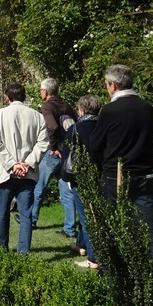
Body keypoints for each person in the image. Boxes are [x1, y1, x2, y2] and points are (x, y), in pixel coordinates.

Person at [89, 65, 153, 306]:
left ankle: (117, 285)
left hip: (115, 176)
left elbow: (95, 143)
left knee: (114, 229)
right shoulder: (145, 107)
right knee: (151, 235)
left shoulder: (110, 110)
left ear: (113, 86)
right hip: (143, 175)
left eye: (107, 85)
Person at [0, 82, 48, 255]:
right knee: (26, 215)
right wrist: (27, 163)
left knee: (3, 212)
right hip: (27, 173)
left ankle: (1, 248)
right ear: (24, 96)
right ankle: (23, 253)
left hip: (6, 172)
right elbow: (43, 143)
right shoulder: (37, 116)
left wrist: (12, 164)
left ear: (7, 97)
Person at [22, 78, 77, 233]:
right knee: (66, 192)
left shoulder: (47, 106)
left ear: (45, 91)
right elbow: (75, 124)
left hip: (53, 153)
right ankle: (70, 228)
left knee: (39, 187)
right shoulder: (66, 105)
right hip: (66, 154)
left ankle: (31, 220)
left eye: (41, 89)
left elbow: (51, 127)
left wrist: (53, 146)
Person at [61, 94, 101, 269]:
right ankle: (82, 245)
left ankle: (93, 258)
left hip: (81, 176)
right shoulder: (103, 127)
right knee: (90, 213)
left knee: (86, 217)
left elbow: (67, 154)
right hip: (101, 175)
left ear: (82, 110)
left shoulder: (76, 128)